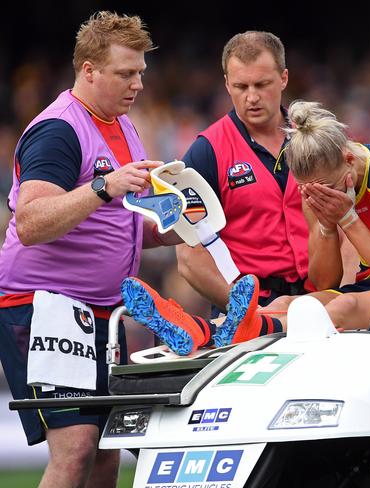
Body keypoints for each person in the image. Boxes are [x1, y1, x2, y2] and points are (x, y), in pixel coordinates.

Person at [0, 12, 182, 488]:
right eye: (126, 73)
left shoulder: (122, 125)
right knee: (77, 446)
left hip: (104, 310)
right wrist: (105, 185)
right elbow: (33, 221)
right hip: (46, 306)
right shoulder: (59, 129)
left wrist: (186, 221)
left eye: (141, 71)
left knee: (106, 452)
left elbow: (119, 224)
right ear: (88, 71)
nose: (138, 83)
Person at [122, 99, 370, 347]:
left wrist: (347, 217)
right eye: (308, 191)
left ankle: (232, 330)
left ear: (348, 158)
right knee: (285, 305)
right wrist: (327, 228)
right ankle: (198, 329)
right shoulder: (315, 184)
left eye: (325, 189)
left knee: (342, 306)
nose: (317, 197)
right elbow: (323, 280)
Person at [174, 31, 357, 315]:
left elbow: (352, 224)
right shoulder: (207, 152)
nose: (252, 97)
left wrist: (343, 297)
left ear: (284, 78)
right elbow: (188, 256)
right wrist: (247, 312)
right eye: (241, 86)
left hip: (318, 303)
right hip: (247, 306)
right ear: (226, 84)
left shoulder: (318, 139)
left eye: (262, 84)